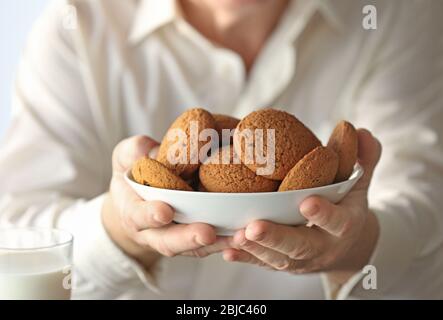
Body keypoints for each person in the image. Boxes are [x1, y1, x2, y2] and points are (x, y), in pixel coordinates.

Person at [0, 0, 442, 299]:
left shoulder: (398, 15)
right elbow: (15, 235)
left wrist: (359, 247)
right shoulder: (80, 26)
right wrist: (120, 231)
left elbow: (429, 211)